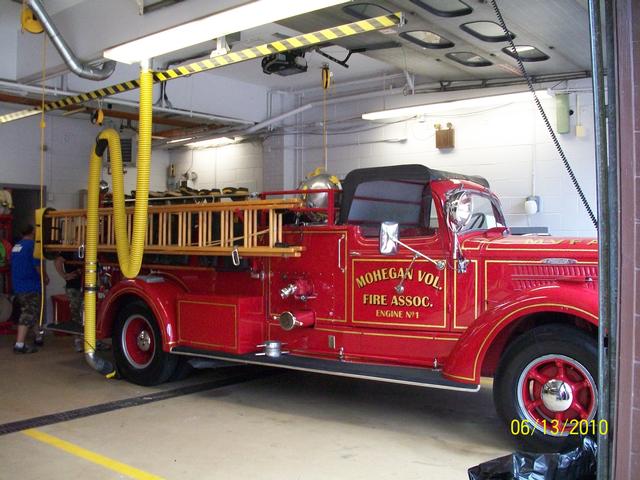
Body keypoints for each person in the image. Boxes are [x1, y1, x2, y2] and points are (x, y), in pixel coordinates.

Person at [11, 224, 48, 353]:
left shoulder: (16, 246)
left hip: (18, 285)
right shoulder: (33, 246)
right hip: (30, 285)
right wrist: (45, 278)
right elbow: (37, 266)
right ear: (33, 232)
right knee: (29, 313)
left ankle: (38, 336)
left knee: (31, 310)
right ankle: (19, 344)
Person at [54, 252, 84, 352]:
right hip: (74, 287)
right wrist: (64, 275)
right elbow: (58, 261)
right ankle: (78, 340)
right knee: (76, 313)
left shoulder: (90, 247)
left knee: (89, 313)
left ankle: (93, 340)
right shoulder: (70, 250)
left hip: (87, 286)